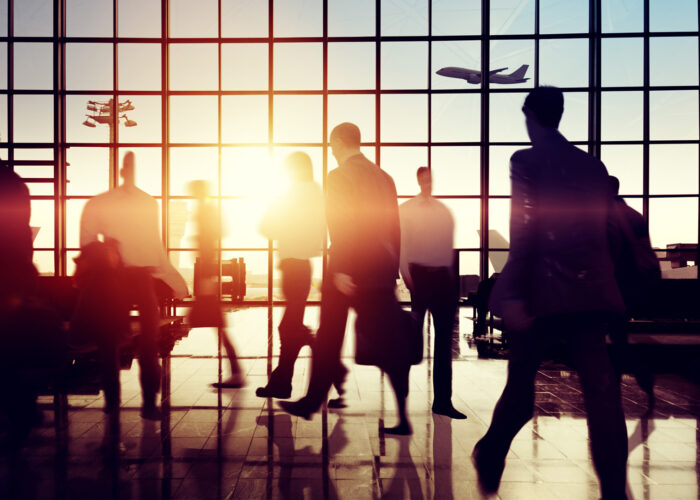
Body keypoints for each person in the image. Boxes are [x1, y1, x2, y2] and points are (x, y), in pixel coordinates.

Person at [472, 87, 629, 500]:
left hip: (544, 294)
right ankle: (614, 490)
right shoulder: (594, 168)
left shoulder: (526, 161)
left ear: (529, 115)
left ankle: (491, 450)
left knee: (522, 379)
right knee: (602, 394)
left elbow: (525, 230)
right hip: (591, 295)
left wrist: (512, 294)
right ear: (559, 115)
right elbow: (605, 236)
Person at [279, 122, 413, 435]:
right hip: (379, 270)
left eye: (331, 143)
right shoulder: (384, 177)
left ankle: (312, 401)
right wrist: (391, 272)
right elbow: (395, 229)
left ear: (339, 141)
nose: (331, 149)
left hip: (348, 268)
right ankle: (403, 416)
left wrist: (340, 268)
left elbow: (342, 224)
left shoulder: (338, 176)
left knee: (329, 335)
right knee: (388, 341)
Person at [80, 151, 188, 420]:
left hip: (115, 279)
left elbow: (87, 241)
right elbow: (154, 245)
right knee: (147, 344)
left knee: (111, 344)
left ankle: (114, 404)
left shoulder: (102, 203)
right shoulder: (146, 203)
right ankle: (148, 405)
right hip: (138, 278)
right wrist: (174, 280)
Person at [256, 152, 325, 399]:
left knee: (290, 326)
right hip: (303, 265)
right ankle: (282, 380)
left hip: (292, 265)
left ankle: (294, 374)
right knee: (290, 324)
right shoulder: (317, 192)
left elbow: (265, 226)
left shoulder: (293, 194)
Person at [399, 167, 466, 419]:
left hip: (442, 279)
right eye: (424, 179)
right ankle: (401, 399)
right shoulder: (406, 210)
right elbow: (402, 243)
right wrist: (406, 275)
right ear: (418, 180)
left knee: (444, 342)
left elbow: (447, 247)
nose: (428, 183)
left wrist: (450, 280)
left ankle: (443, 401)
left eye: (431, 179)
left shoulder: (442, 211)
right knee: (411, 340)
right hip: (420, 276)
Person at [606, 175, 657, 411]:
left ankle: (629, 377)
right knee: (618, 334)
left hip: (617, 283)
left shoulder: (609, 215)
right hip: (635, 283)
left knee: (611, 335)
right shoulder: (633, 214)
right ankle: (640, 374)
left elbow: (612, 253)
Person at [188, 180, 244, 388]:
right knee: (219, 327)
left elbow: (207, 244)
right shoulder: (209, 210)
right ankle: (236, 372)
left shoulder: (205, 211)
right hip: (209, 272)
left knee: (219, 327)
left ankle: (237, 373)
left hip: (207, 273)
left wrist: (206, 278)